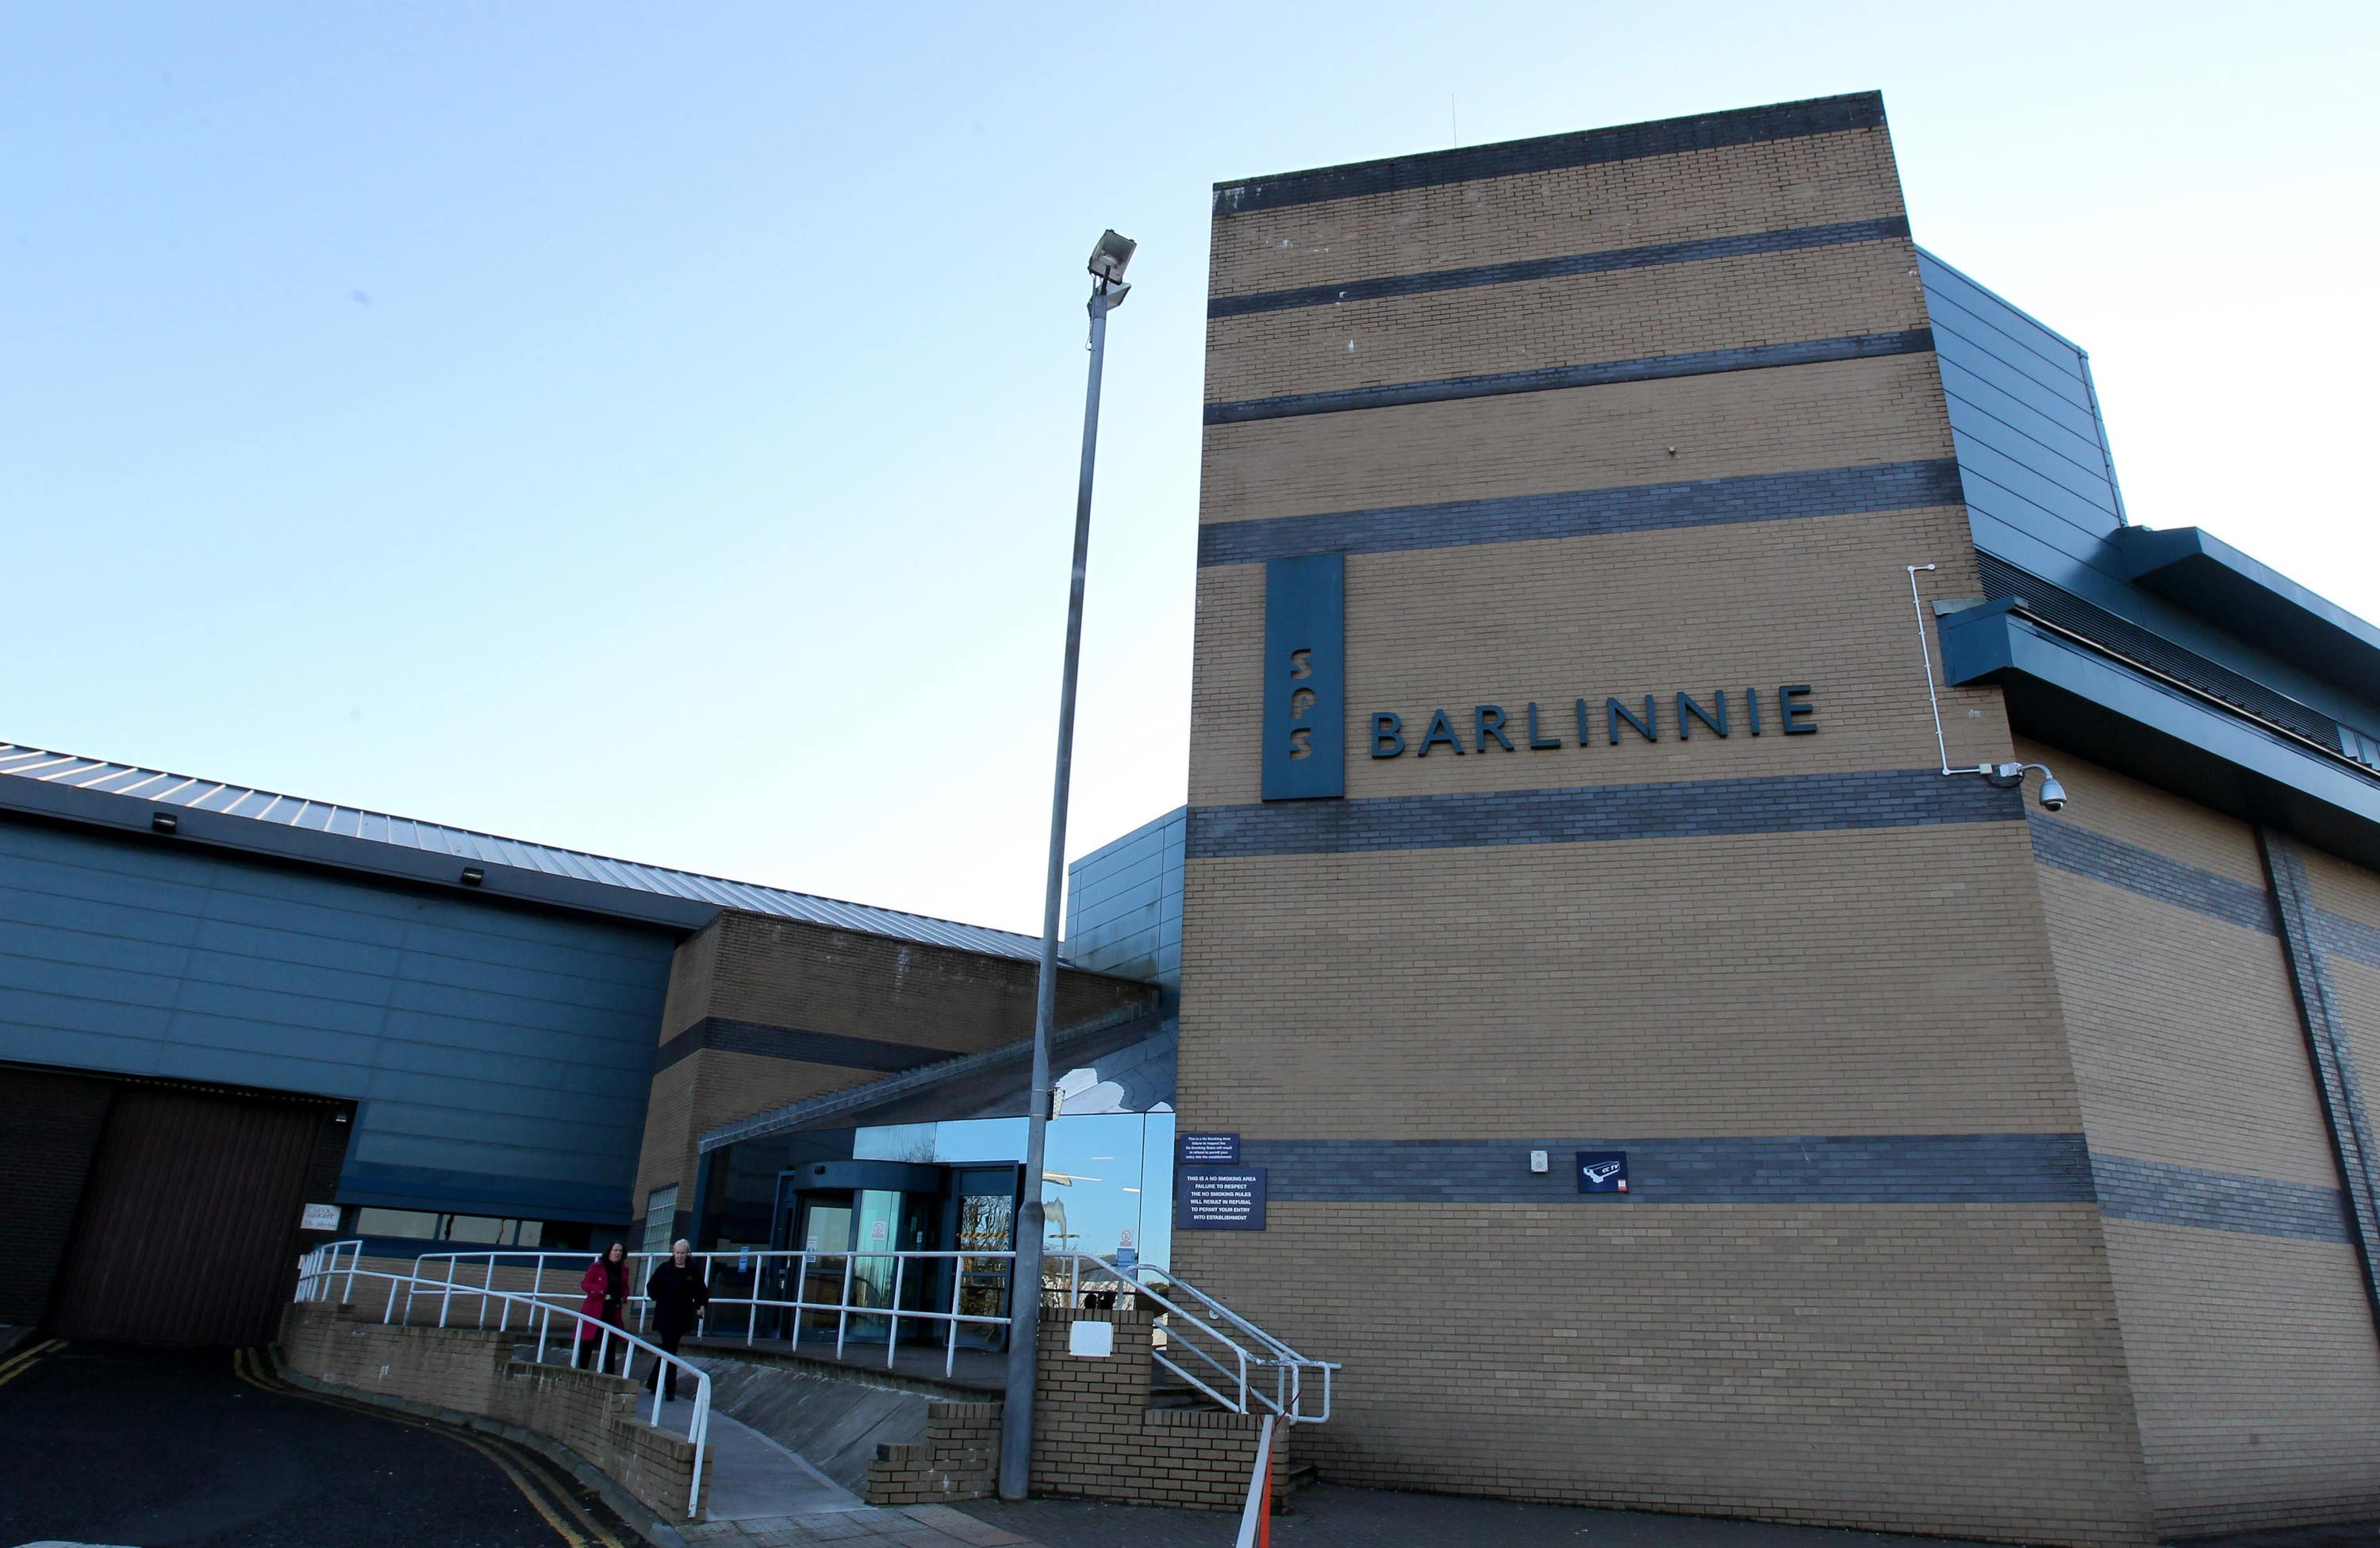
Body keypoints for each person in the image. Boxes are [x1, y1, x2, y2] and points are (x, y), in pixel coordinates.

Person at [641, 1239, 710, 1401]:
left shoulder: (693, 1271)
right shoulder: (664, 1269)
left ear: (688, 1254)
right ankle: (670, 1388)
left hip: (682, 1315)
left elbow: (701, 1291)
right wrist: (660, 1297)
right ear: (673, 1253)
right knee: (670, 1349)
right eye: (677, 1253)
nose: (679, 1256)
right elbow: (652, 1287)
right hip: (665, 1314)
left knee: (668, 1349)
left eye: (683, 1253)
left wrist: (701, 1306)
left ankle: (653, 1382)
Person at [575, 1241, 628, 1374]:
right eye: (615, 1250)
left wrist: (624, 1297)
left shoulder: (623, 1270)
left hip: (613, 1310)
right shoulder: (597, 1267)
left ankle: (610, 1374)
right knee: (588, 1342)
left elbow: (625, 1288)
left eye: (620, 1251)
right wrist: (596, 1289)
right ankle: (582, 1371)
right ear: (609, 1251)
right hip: (596, 1309)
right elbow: (585, 1284)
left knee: (611, 1344)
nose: (618, 1253)